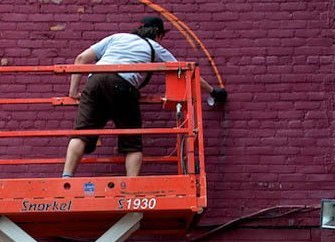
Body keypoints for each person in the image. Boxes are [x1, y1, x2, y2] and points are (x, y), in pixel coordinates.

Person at [62, 16, 227, 178]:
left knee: (81, 133)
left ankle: (66, 178)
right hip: (123, 85)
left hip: (95, 81)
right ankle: (132, 186)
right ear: (158, 34)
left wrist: (73, 92)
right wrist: (212, 91)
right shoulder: (154, 47)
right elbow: (185, 72)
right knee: (132, 142)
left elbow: (81, 59)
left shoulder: (117, 37)